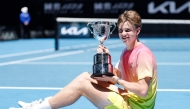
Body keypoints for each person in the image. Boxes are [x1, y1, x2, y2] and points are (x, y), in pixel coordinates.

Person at [10, 10, 158, 109]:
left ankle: (41, 107)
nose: (123, 34)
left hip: (134, 106)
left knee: (82, 84)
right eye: (120, 30)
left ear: (137, 31)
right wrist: (106, 60)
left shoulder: (142, 54)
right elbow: (114, 77)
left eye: (128, 30)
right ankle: (46, 104)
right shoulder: (127, 51)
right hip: (128, 99)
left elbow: (143, 90)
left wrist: (117, 81)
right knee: (85, 77)